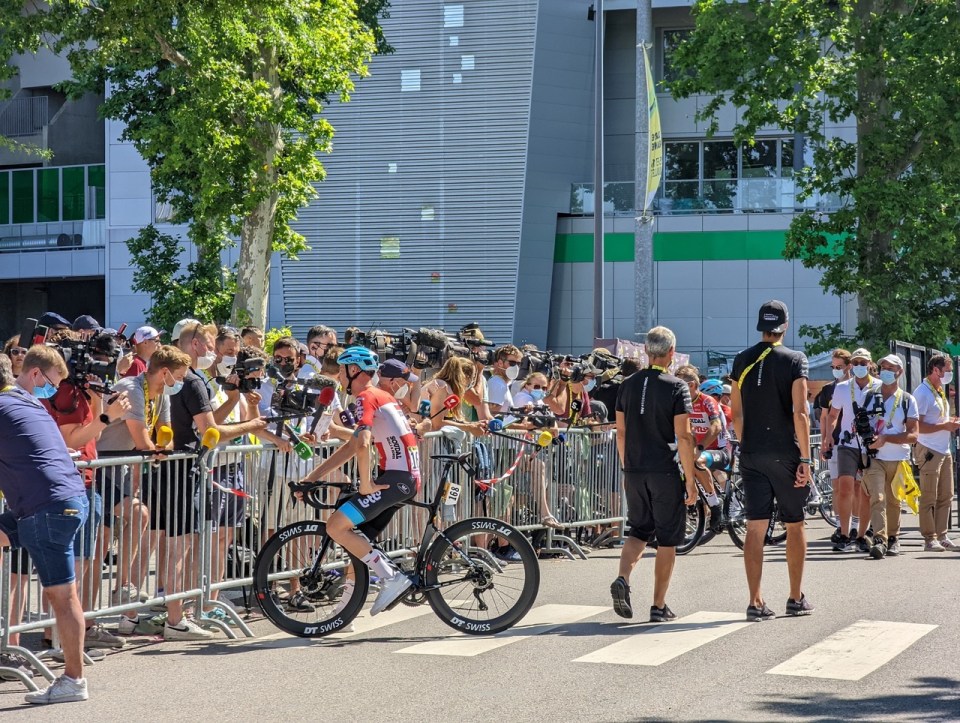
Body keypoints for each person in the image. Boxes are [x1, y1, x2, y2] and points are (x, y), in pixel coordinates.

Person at [300, 346, 422, 615]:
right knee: (358, 541)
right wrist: (312, 477)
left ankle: (392, 578)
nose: (340, 379)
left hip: (394, 479)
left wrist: (365, 484)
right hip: (403, 478)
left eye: (342, 373)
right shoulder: (382, 396)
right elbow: (353, 445)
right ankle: (345, 611)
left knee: (335, 526)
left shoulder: (366, 397)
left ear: (352, 370)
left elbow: (364, 444)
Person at [0, 345, 91, 704]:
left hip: (48, 509)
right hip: (56, 503)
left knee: (61, 596)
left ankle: (74, 680)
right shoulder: (25, 403)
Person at [97, 345, 190, 634]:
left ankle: (122, 589)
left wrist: (164, 448)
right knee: (133, 519)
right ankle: (122, 586)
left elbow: (165, 431)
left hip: (119, 469)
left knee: (125, 524)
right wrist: (155, 451)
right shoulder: (133, 388)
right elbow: (141, 439)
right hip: (99, 466)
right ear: (164, 372)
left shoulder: (159, 392)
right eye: (180, 376)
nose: (182, 382)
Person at [730, 300, 813, 621]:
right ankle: (795, 597)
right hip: (786, 453)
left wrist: (746, 440)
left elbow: (736, 413)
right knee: (795, 523)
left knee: (755, 525)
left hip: (750, 452)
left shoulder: (741, 360)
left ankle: (755, 601)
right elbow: (801, 411)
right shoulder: (795, 360)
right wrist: (805, 457)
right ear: (785, 325)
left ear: (760, 326)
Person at [610, 326, 697, 623]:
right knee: (668, 539)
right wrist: (691, 479)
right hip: (665, 469)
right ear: (671, 353)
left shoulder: (628, 384)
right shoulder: (677, 386)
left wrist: (627, 466)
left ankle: (623, 577)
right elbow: (684, 437)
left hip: (634, 467)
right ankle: (659, 605)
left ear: (647, 351)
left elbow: (620, 432)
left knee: (638, 530)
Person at [860, 354, 919, 559]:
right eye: (882, 367)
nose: (885, 371)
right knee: (877, 497)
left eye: (890, 368)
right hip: (874, 457)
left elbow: (913, 435)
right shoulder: (869, 396)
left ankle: (893, 538)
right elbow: (861, 424)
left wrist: (885, 438)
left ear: (899, 372)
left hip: (898, 458)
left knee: (894, 501)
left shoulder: (907, 399)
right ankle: (879, 539)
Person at [822, 348, 880, 552]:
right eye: (856, 363)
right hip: (847, 443)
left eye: (863, 363)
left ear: (870, 364)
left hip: (870, 445)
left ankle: (862, 533)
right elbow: (832, 414)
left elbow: (884, 416)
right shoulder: (843, 387)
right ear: (851, 365)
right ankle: (844, 533)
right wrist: (829, 437)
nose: (859, 367)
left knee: (864, 491)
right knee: (845, 487)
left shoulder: (880, 387)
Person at [911, 353, 960, 552]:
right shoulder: (922, 393)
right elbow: (918, 426)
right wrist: (944, 426)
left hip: (944, 448)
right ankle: (929, 538)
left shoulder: (939, 390)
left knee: (946, 495)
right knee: (929, 496)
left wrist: (950, 422)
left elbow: (938, 418)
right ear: (935, 370)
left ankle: (942, 535)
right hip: (929, 449)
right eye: (946, 371)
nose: (949, 374)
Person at [675, 364, 724, 531]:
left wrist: (701, 446)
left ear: (691, 385)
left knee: (696, 460)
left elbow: (716, 427)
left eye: (679, 385)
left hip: (719, 449)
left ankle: (715, 505)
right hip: (695, 448)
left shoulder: (707, 401)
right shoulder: (681, 403)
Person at [814, 349, 853, 546]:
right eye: (833, 367)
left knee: (856, 486)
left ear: (849, 366)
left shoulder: (856, 387)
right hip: (836, 442)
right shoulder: (828, 390)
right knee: (838, 486)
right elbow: (824, 417)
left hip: (855, 443)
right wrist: (824, 440)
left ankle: (856, 524)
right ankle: (840, 524)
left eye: (839, 367)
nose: (835, 370)